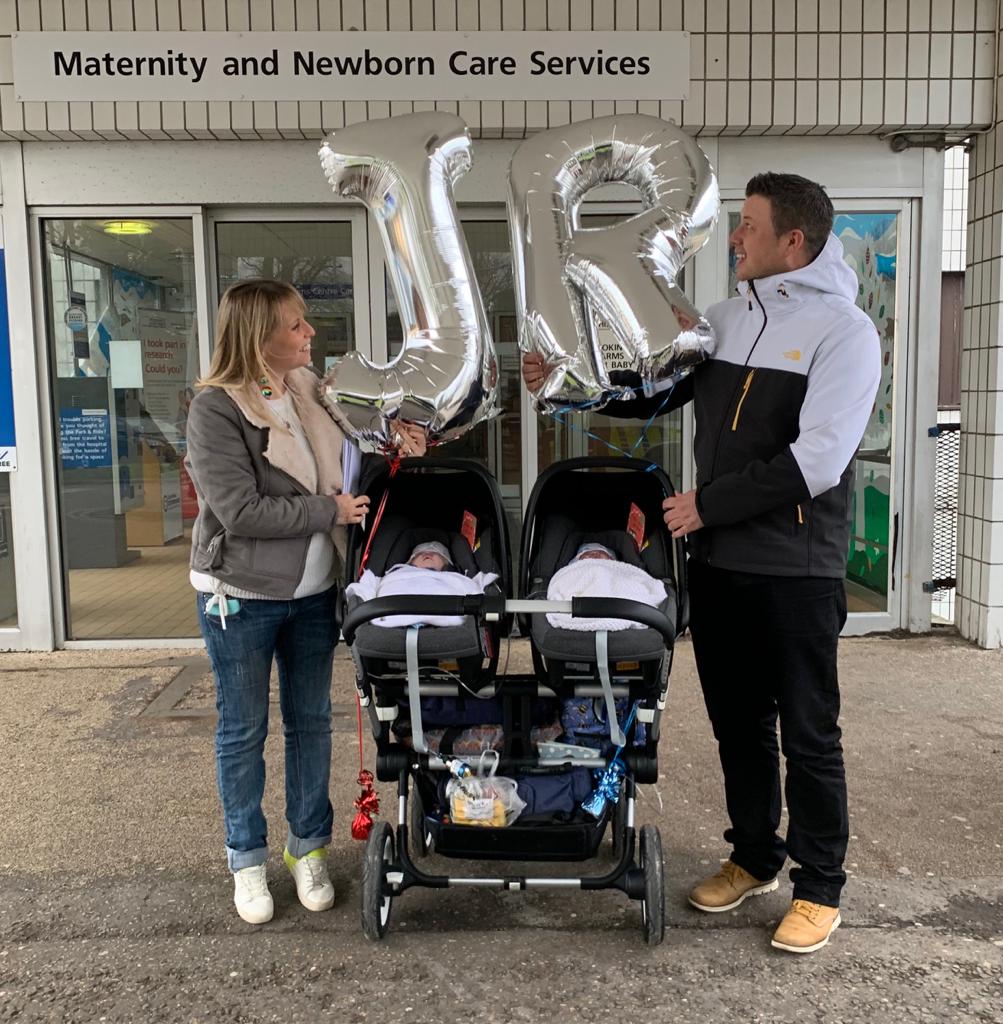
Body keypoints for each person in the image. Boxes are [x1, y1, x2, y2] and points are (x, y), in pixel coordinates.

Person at [523, 173, 880, 954]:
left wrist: (704, 507)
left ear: (793, 241)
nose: (734, 238)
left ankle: (820, 886)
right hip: (718, 566)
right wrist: (570, 390)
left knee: (808, 735)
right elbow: (655, 395)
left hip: (795, 567)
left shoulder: (842, 331)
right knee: (738, 728)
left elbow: (817, 459)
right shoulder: (724, 320)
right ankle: (754, 856)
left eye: (747, 226)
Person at [186, 278, 425, 925]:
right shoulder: (215, 408)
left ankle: (306, 849)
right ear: (258, 335)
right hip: (241, 595)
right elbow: (237, 510)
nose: (308, 334)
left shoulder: (307, 387)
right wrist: (329, 509)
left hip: (315, 591)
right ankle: (246, 860)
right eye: (295, 325)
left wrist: (398, 434)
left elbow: (358, 435)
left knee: (311, 723)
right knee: (243, 732)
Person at [346, 541, 498, 628]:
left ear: (448, 564)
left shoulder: (456, 577)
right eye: (419, 553)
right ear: (409, 562)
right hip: (391, 615)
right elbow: (365, 587)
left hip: (449, 617)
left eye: (437, 553)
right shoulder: (393, 575)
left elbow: (479, 587)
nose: (428, 553)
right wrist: (357, 602)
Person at [545, 541, 667, 631]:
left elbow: (645, 584)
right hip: (580, 600)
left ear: (612, 560)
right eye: (588, 554)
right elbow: (559, 587)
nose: (594, 556)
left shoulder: (619, 569)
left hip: (620, 601)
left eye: (600, 553)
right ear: (575, 562)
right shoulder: (572, 571)